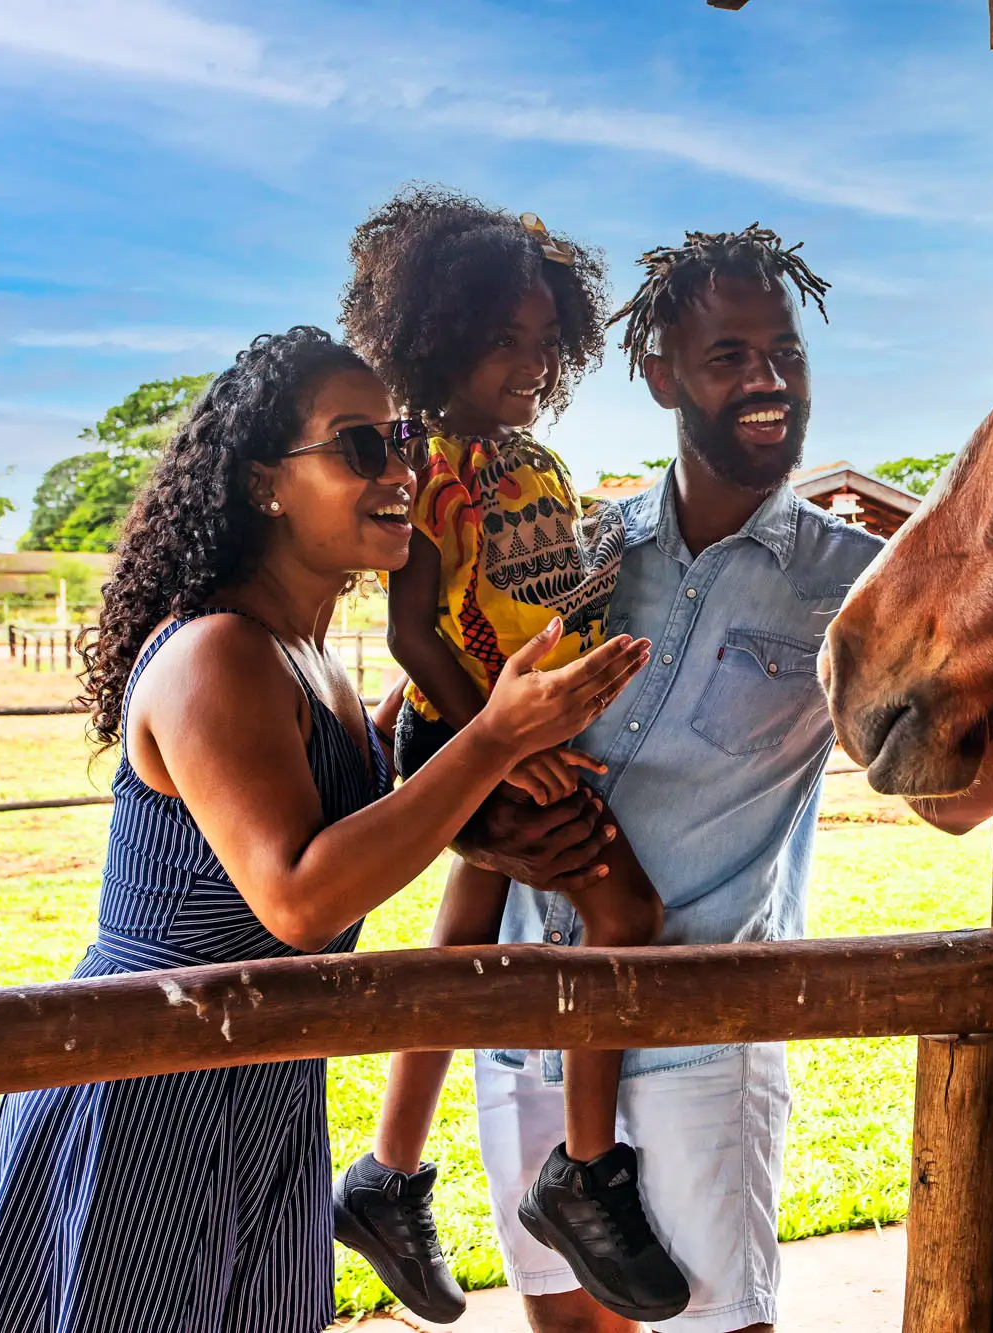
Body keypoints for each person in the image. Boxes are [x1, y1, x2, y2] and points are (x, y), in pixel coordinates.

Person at [0, 327, 648, 1333]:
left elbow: (376, 837)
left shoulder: (318, 663)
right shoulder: (217, 653)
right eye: (358, 446)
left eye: (398, 439)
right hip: (150, 1090)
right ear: (266, 484)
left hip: (264, 1081)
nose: (399, 468)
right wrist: (489, 742)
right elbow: (300, 897)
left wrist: (479, 753)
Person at [350, 226, 993, 1333]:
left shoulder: (853, 590)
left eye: (784, 353)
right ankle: (390, 1172)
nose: (767, 380)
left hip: (700, 1043)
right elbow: (425, 718)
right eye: (729, 355)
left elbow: (949, 806)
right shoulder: (581, 552)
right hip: (519, 1030)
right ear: (659, 376)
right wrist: (477, 826)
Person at [332, 187, 686, 1325]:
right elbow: (408, 628)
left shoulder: (534, 460)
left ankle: (388, 1172)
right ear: (438, 335)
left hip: (524, 725)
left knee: (461, 932)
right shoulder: (418, 463)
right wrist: (493, 747)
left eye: (543, 343)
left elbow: (534, 588)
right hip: (478, 733)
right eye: (503, 341)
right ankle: (584, 1173)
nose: (528, 363)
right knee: (624, 918)